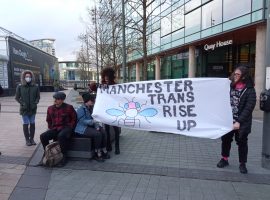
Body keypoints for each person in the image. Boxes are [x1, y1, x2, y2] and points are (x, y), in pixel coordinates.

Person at [217, 66, 256, 174]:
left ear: (244, 77)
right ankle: (224, 159)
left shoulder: (250, 90)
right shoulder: (229, 86)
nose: (235, 76)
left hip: (242, 123)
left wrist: (239, 121)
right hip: (228, 120)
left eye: (238, 75)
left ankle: (242, 164)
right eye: (235, 74)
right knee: (225, 140)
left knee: (242, 143)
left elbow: (249, 107)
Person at [40, 91, 77, 167]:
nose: (55, 100)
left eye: (57, 99)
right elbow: (48, 120)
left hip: (66, 128)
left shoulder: (69, 107)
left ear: (62, 100)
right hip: (55, 128)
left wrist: (70, 127)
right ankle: (47, 153)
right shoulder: (50, 108)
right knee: (43, 136)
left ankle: (64, 157)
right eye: (54, 99)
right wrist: (51, 128)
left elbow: (74, 119)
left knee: (61, 136)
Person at [75, 92, 110, 162]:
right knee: (97, 134)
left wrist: (96, 126)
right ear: (86, 101)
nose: (93, 102)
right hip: (82, 128)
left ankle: (103, 149)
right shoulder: (80, 109)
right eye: (91, 100)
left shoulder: (91, 107)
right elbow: (82, 121)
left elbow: (95, 119)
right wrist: (92, 122)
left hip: (91, 126)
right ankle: (97, 152)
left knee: (103, 132)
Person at [15, 70, 40, 146]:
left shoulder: (35, 86)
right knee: (26, 124)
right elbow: (17, 97)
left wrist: (35, 103)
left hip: (32, 109)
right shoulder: (20, 86)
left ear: (32, 77)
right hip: (24, 110)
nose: (28, 78)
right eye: (26, 76)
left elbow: (38, 97)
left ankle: (32, 139)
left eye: (29, 76)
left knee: (32, 124)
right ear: (23, 77)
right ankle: (27, 140)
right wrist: (22, 104)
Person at [101, 67, 121, 154]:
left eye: (107, 76)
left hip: (115, 111)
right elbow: (93, 87)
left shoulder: (116, 86)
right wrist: (101, 87)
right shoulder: (102, 85)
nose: (106, 78)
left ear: (111, 76)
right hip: (105, 111)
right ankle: (108, 145)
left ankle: (117, 146)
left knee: (116, 130)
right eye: (104, 76)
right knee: (107, 129)